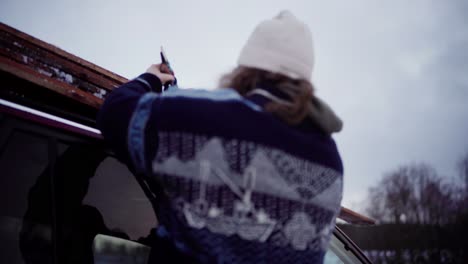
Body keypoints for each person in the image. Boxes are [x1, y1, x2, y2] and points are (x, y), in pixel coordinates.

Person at [97, 10, 344, 264]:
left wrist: (150, 79)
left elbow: (115, 112)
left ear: (248, 68)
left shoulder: (205, 120)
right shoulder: (332, 161)